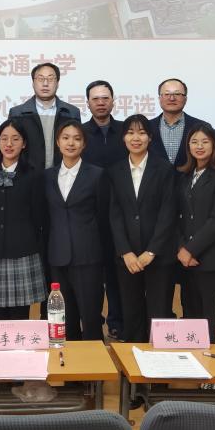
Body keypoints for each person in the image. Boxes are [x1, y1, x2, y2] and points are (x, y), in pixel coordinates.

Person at [105, 115, 176, 343]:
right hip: (127, 258)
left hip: (158, 255)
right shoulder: (115, 171)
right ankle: (133, 360)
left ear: (150, 137)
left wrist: (151, 251)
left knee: (159, 312)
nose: (136, 138)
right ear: (123, 138)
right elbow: (114, 214)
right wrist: (125, 251)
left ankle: (159, 364)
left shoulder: (164, 169)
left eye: (142, 133)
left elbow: (168, 213)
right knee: (131, 312)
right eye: (130, 133)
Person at [43, 119, 106, 340]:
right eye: (66, 138)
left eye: (77, 139)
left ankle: (94, 360)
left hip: (88, 256)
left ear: (84, 144)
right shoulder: (47, 176)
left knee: (91, 318)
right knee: (64, 319)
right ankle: (69, 361)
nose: (71, 143)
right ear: (58, 142)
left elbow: (103, 217)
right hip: (57, 257)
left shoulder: (97, 174)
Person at [0, 119, 48, 321]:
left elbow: (40, 216)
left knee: (20, 317)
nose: (9, 144)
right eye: (4, 138)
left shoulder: (34, 175)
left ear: (24, 143)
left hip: (23, 252)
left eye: (15, 139)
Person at [175, 123, 215, 340]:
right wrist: (181, 248)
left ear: (214, 145)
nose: (199, 146)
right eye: (194, 142)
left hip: (212, 261)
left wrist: (190, 249)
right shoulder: (183, 176)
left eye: (205, 141)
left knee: (212, 321)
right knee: (192, 319)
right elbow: (177, 217)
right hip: (186, 263)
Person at [80, 79, 127, 340]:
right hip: (90, 214)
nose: (100, 103)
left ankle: (117, 321)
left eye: (105, 98)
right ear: (87, 103)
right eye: (95, 98)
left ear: (113, 101)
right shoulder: (80, 134)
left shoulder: (125, 131)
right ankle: (92, 321)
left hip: (122, 211)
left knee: (118, 272)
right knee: (92, 274)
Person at [9, 62, 81, 171]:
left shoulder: (71, 113)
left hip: (63, 174)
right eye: (40, 79)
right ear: (33, 83)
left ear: (57, 83)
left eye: (51, 79)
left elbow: (78, 146)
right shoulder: (17, 113)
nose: (45, 83)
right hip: (27, 175)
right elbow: (12, 147)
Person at [148, 78, 204, 168]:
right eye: (167, 94)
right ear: (159, 98)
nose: (172, 98)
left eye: (177, 94)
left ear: (185, 99)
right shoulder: (147, 127)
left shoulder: (201, 126)